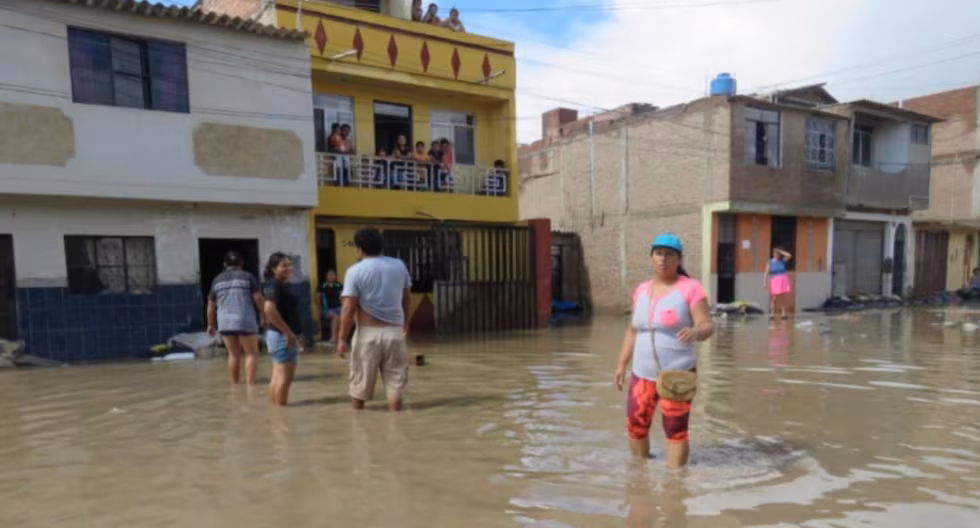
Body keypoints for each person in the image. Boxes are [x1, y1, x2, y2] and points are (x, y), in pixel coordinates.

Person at [613, 234, 714, 467]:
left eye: (669, 255)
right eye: (658, 253)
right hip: (642, 374)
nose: (663, 259)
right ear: (651, 258)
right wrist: (621, 364)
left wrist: (697, 332)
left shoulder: (691, 288)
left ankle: (675, 485)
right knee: (636, 426)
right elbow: (632, 330)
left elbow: (708, 325)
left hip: (677, 375)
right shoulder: (641, 290)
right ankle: (641, 475)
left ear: (678, 259)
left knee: (675, 430)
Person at [337, 227, 412, 412]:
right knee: (395, 387)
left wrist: (341, 339)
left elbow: (348, 307)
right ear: (381, 245)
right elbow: (407, 299)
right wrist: (405, 325)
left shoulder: (354, 271)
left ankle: (358, 429)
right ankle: (396, 429)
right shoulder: (399, 265)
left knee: (359, 387)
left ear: (359, 248)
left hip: (366, 335)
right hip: (395, 333)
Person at [206, 251, 264, 385]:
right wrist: (265, 315)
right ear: (241, 264)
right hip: (245, 320)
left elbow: (211, 304)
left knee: (233, 355)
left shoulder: (217, 280)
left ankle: (235, 385)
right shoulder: (247, 276)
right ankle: (251, 386)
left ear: (224, 264)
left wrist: (210, 324)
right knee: (251, 354)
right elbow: (258, 298)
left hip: (225, 322)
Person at [262, 253, 305, 406]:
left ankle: (275, 412)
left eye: (289, 264)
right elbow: (269, 310)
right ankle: (281, 417)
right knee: (284, 379)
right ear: (274, 269)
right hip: (282, 337)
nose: (289, 268)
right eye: (283, 265)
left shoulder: (274, 284)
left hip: (276, 334)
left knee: (277, 377)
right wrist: (289, 333)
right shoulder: (275, 285)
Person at [764, 247, 793, 320]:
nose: (776, 255)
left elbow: (789, 255)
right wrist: (764, 282)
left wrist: (781, 251)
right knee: (774, 298)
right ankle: (772, 314)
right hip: (774, 280)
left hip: (783, 279)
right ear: (773, 254)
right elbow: (766, 272)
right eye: (775, 253)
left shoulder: (782, 261)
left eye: (778, 254)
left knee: (783, 297)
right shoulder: (769, 261)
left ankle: (783, 313)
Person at [319, 269, 344, 345]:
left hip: (339, 307)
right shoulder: (322, 286)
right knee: (336, 318)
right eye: (329, 275)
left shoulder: (339, 285)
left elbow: (343, 297)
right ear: (326, 276)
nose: (331, 276)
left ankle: (342, 337)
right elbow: (317, 298)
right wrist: (320, 310)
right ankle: (333, 338)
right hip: (327, 309)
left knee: (346, 316)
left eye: (332, 275)